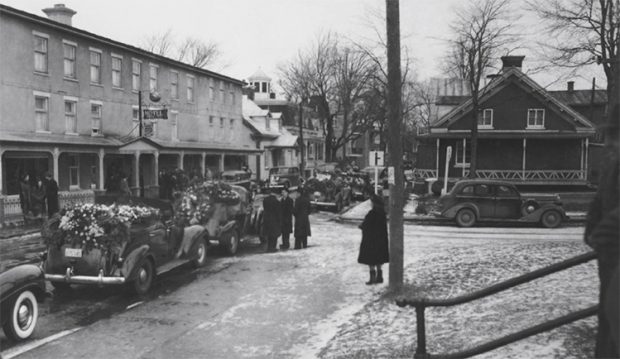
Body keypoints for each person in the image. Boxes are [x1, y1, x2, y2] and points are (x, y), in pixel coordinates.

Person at [585, 119, 620, 358]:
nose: (611, 144)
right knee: (609, 316)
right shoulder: (611, 160)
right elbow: (602, 196)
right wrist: (593, 224)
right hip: (609, 255)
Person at [358, 194, 389, 285]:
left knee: (370, 259)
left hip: (371, 240)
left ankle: (372, 278)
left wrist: (361, 226)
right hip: (380, 240)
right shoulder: (382, 213)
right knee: (379, 258)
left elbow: (366, 225)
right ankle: (379, 276)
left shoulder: (372, 213)